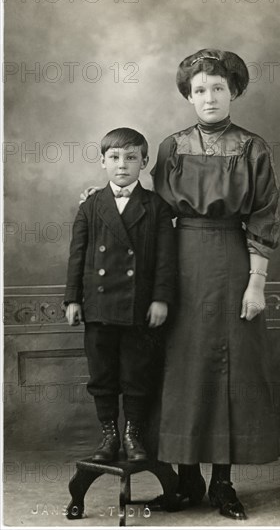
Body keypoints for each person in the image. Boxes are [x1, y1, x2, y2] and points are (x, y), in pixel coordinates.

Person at [147, 48, 280, 520]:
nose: (209, 97)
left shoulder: (253, 147)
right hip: (178, 263)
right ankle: (186, 481)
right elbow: (157, 214)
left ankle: (223, 483)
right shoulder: (171, 147)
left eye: (218, 88)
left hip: (232, 262)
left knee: (229, 371)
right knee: (182, 370)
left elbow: (263, 216)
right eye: (199, 89)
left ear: (234, 92)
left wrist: (256, 284)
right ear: (188, 95)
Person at [64, 127, 176, 463]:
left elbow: (165, 260)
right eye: (114, 157)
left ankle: (133, 434)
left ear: (143, 162)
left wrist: (161, 299)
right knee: (102, 375)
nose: (122, 164)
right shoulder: (90, 205)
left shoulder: (155, 207)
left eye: (131, 157)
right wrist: (72, 299)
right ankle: (109, 435)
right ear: (102, 161)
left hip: (138, 307)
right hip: (98, 307)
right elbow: (78, 255)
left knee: (136, 374)